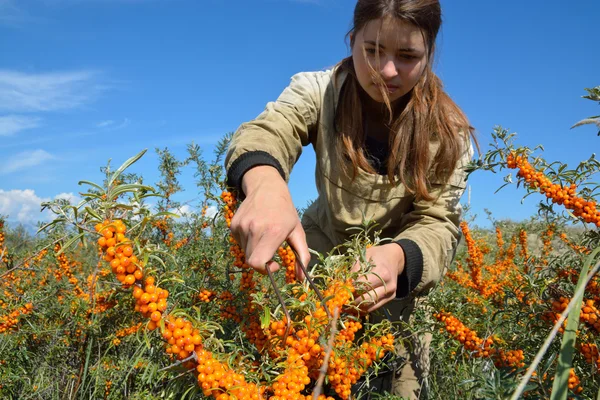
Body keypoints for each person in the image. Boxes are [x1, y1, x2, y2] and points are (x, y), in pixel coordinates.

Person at [224, 0, 477, 398]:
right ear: (352, 38)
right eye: (373, 50)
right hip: (316, 278)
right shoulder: (319, 91)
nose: (387, 71)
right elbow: (272, 128)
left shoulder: (450, 136)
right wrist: (264, 183)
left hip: (400, 298)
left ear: (430, 53)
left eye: (407, 55)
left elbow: (439, 224)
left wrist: (399, 258)